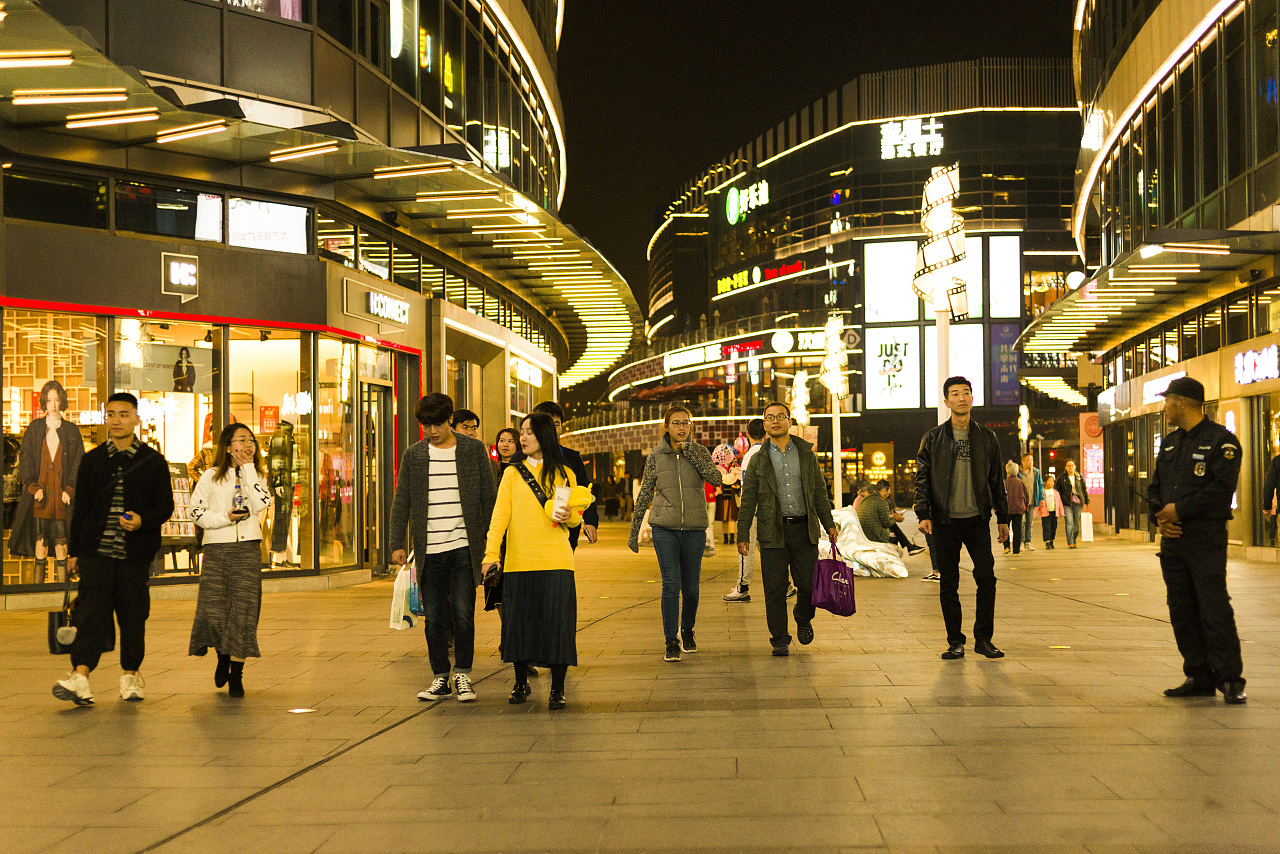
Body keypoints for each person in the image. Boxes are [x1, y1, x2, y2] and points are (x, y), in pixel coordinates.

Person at [53, 393, 174, 705]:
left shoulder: (152, 461)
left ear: (136, 418)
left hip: (134, 556)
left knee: (133, 616)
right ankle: (80, 677)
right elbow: (80, 509)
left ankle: (131, 676)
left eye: (123, 414)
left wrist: (142, 520)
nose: (116, 421)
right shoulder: (92, 460)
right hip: (96, 555)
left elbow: (165, 506)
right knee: (90, 615)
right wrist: (75, 551)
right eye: (111, 414)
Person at [390, 393, 497, 703]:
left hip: (465, 547)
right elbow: (402, 500)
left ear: (450, 420)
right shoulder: (415, 455)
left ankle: (463, 673)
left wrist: (492, 546)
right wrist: (397, 542)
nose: (432, 431)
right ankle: (440, 677)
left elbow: (488, 499)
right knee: (435, 617)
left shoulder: (473, 450)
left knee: (464, 614)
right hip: (429, 550)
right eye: (426, 425)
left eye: (437, 424)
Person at [1148, 376, 1246, 704]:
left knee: (1213, 606)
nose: (1164, 408)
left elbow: (1221, 491)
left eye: (1167, 401)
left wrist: (1180, 510)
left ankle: (1230, 679)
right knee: (1182, 609)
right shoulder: (1171, 443)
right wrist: (1160, 517)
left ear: (1182, 403)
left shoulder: (1223, 442)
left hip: (1205, 539)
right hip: (1173, 542)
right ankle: (1198, 674)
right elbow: (1155, 488)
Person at [483, 412, 584, 710]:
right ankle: (520, 682)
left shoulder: (565, 474)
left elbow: (573, 516)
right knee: (519, 625)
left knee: (558, 625)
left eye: (529, 432)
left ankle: (558, 688)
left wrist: (572, 516)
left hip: (558, 560)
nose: (523, 438)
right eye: (522, 432)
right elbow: (499, 516)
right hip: (519, 562)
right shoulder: (512, 474)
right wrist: (491, 555)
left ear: (544, 436)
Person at [914, 376, 1010, 661]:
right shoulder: (933, 438)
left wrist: (1002, 518)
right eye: (954, 394)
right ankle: (955, 642)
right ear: (946, 402)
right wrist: (923, 513)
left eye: (966, 393)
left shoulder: (987, 437)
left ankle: (984, 639)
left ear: (972, 398)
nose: (961, 398)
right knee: (949, 583)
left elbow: (997, 480)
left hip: (977, 520)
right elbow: (922, 479)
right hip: (945, 521)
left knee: (986, 578)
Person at [737, 401, 839, 656]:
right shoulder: (758, 459)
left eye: (780, 416)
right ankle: (780, 637)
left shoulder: (805, 453)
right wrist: (742, 535)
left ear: (789, 421)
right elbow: (748, 500)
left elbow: (818, 492)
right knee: (774, 588)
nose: (775, 421)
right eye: (769, 417)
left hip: (804, 530)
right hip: (772, 531)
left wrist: (828, 523)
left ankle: (803, 616)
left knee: (807, 584)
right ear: (764, 424)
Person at [628, 405, 723, 662]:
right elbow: (646, 492)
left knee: (691, 588)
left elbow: (716, 479)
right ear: (666, 426)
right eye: (676, 423)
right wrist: (635, 529)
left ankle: (687, 629)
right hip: (664, 528)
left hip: (694, 528)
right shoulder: (656, 456)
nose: (682, 427)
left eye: (686, 423)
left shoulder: (699, 451)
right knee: (671, 584)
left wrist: (694, 453)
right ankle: (670, 639)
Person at [188, 423, 273, 697]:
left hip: (247, 549)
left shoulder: (257, 474)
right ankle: (222, 656)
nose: (247, 445)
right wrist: (224, 517)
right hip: (216, 550)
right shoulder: (210, 477)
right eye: (240, 440)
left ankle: (237, 673)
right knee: (214, 610)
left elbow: (262, 503)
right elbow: (196, 513)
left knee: (244, 612)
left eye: (251, 440)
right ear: (227, 446)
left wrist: (248, 470)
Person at [9, 380, 85, 584]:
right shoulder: (34, 428)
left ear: (62, 401)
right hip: (39, 498)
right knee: (40, 543)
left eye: (57, 399)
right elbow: (25, 459)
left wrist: (70, 488)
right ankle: (37, 591)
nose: (53, 404)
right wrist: (32, 486)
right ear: (44, 401)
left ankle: (62, 590)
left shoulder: (71, 430)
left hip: (62, 498)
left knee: (62, 546)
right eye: (49, 399)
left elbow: (79, 462)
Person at [532, 401, 598, 549]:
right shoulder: (523, 458)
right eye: (547, 423)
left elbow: (584, 490)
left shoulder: (571, 457)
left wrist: (590, 522)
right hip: (532, 530)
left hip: (566, 529)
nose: (552, 428)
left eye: (556, 424)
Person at [725, 418, 765, 602]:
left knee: (745, 546)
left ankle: (742, 586)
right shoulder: (768, 452)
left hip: (751, 508)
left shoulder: (750, 454)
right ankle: (786, 585)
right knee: (765, 547)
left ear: (748, 434)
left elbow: (748, 484)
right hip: (766, 508)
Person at [860, 479, 925, 555]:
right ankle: (908, 547)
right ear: (885, 489)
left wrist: (893, 518)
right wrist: (895, 519)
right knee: (894, 533)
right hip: (873, 535)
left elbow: (879, 518)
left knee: (893, 527)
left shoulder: (866, 500)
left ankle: (909, 546)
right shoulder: (881, 501)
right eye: (889, 491)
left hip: (864, 533)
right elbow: (886, 523)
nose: (888, 494)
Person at [1056, 458, 1090, 548]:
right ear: (1065, 467)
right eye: (1068, 466)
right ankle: (1070, 542)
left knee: (1076, 523)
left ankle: (1074, 539)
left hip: (1078, 502)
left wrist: (1087, 500)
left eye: (1072, 465)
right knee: (1069, 522)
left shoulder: (1079, 476)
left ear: (1075, 467)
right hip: (1067, 502)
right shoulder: (1062, 478)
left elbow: (1083, 489)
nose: (1070, 467)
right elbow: (1057, 489)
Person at [1017, 453, 1044, 551]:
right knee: (1022, 522)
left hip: (1032, 501)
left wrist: (1042, 499)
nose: (1030, 462)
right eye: (1028, 460)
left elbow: (1040, 486)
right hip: (1021, 502)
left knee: (1029, 523)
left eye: (1032, 460)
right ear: (1023, 461)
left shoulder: (1036, 472)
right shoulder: (1018, 472)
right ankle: (1020, 542)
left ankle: (1028, 542)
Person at [1003, 461, 1028, 556]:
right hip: (1019, 509)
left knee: (1005, 528)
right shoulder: (1021, 482)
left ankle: (1006, 547)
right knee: (1017, 529)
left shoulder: (1005, 482)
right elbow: (1026, 495)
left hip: (1007, 509)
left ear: (1007, 472)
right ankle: (1016, 550)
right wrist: (1025, 506)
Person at [1041, 475, 1059, 548]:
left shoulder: (1055, 492)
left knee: (1053, 526)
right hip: (1045, 513)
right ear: (1045, 482)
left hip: (1054, 512)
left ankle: (1051, 540)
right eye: (1050, 481)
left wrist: (1061, 512)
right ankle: (1047, 541)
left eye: (1052, 481)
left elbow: (1059, 502)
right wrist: (1036, 513)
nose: (1051, 483)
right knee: (1046, 527)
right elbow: (1039, 503)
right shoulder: (1042, 492)